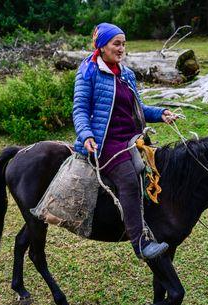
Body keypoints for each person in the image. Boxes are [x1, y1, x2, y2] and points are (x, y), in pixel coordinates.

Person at [72, 23, 178, 260]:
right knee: (129, 180)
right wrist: (86, 135)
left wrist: (161, 113)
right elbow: (79, 109)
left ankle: (156, 222)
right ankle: (140, 244)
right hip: (104, 141)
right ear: (102, 46)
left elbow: (137, 109)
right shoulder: (88, 72)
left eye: (123, 43)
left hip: (131, 138)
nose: (121, 49)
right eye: (116, 43)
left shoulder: (126, 74)